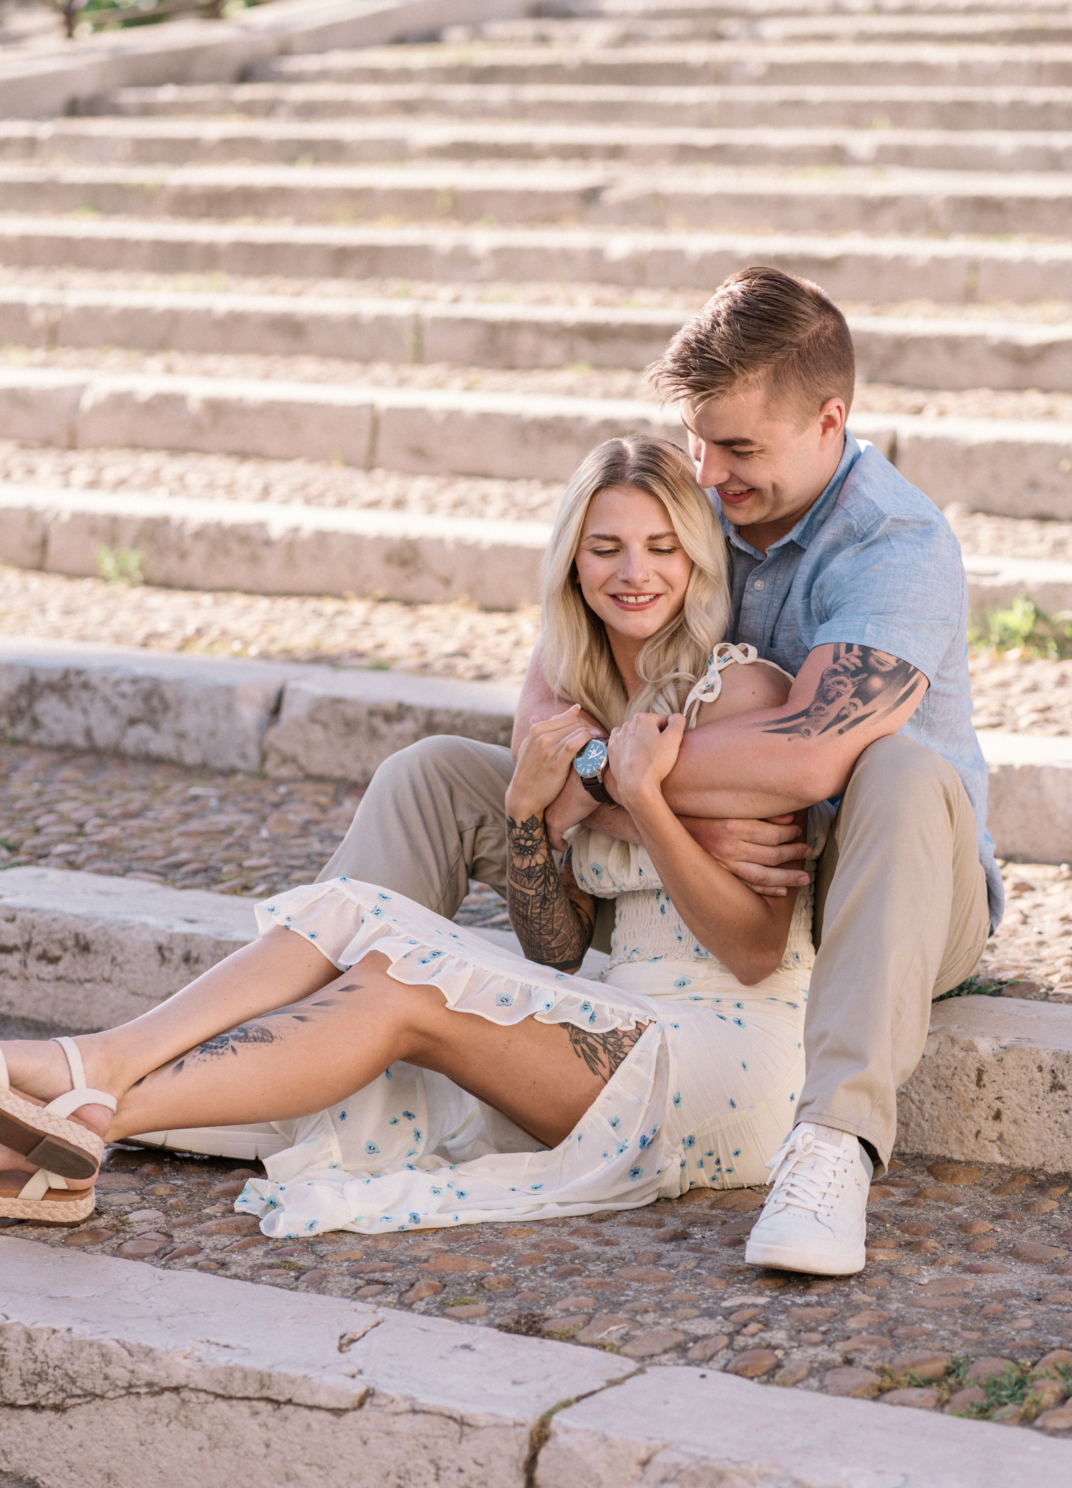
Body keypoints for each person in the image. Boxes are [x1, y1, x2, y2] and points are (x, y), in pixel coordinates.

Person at [305, 266, 1001, 1276]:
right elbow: (546, 712)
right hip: (712, 849)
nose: (708, 475)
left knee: (895, 770)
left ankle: (834, 1146)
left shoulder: (896, 547)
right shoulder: (697, 494)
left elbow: (809, 757)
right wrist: (610, 774)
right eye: (696, 439)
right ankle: (300, 1041)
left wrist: (619, 783)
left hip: (885, 884)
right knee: (435, 774)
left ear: (828, 421)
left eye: (739, 447)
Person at [0, 437, 821, 1245]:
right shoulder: (583, 703)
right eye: (604, 548)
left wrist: (642, 798)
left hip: (728, 1062)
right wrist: (531, 819)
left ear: (697, 561)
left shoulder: (744, 690)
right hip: (621, 1009)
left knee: (397, 984)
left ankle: (96, 1087)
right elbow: (555, 947)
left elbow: (754, 952)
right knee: (361, 919)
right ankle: (92, 1092)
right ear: (573, 563)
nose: (633, 573)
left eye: (660, 548)